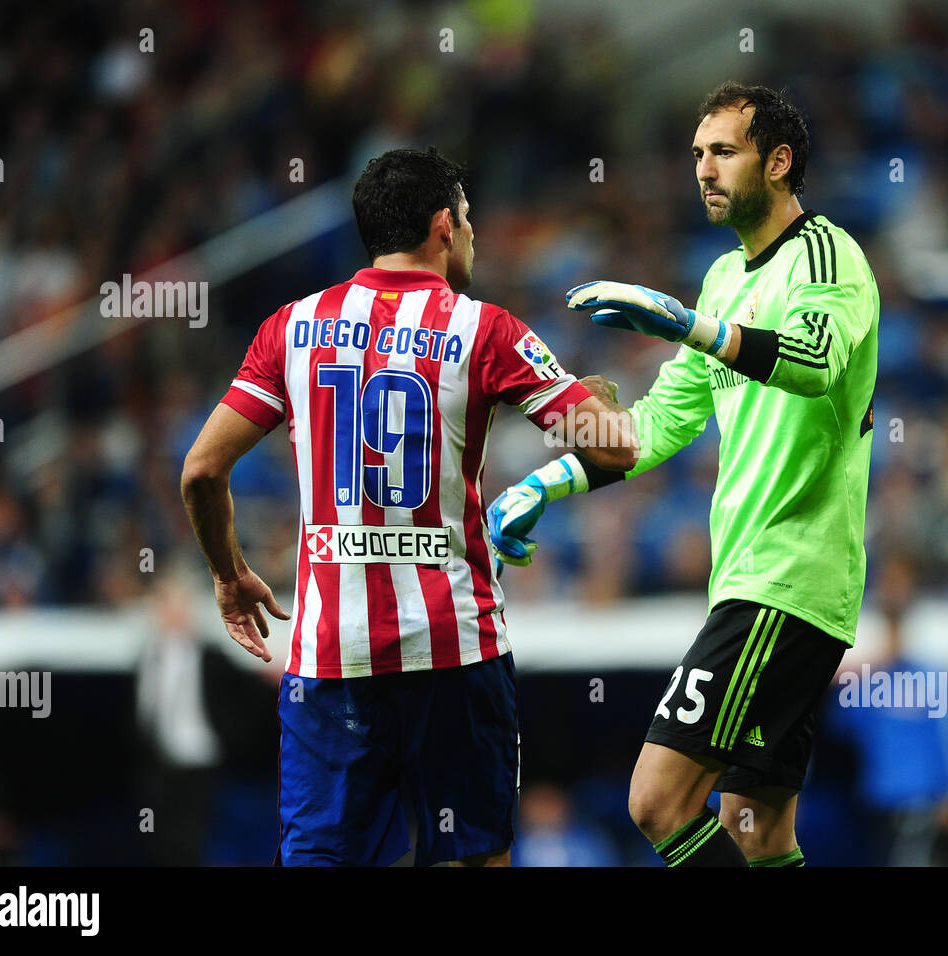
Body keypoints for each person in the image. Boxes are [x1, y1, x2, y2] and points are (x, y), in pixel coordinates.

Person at [181, 147, 635, 867]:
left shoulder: (292, 327)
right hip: (454, 650)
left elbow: (202, 470)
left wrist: (227, 572)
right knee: (471, 854)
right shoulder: (487, 331)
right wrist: (598, 397)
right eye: (469, 219)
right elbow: (615, 449)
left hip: (331, 657)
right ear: (442, 226)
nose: (474, 234)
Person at [490, 82, 879, 866]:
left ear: (779, 162)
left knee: (656, 799)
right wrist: (546, 483)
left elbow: (809, 363)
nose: (703, 169)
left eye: (724, 152)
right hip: (762, 581)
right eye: (697, 154)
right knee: (757, 828)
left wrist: (683, 324)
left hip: (786, 578)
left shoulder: (827, 255)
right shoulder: (723, 280)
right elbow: (658, 425)